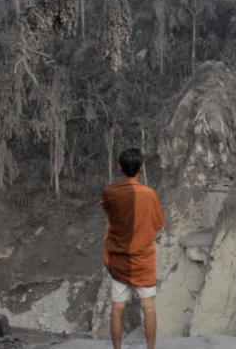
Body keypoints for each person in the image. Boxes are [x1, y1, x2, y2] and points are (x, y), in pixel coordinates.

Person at [101, 148, 163, 349]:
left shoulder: (109, 192)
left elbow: (111, 216)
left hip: (118, 259)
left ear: (119, 167)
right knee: (148, 306)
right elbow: (157, 223)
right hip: (143, 260)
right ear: (141, 168)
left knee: (117, 308)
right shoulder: (149, 194)